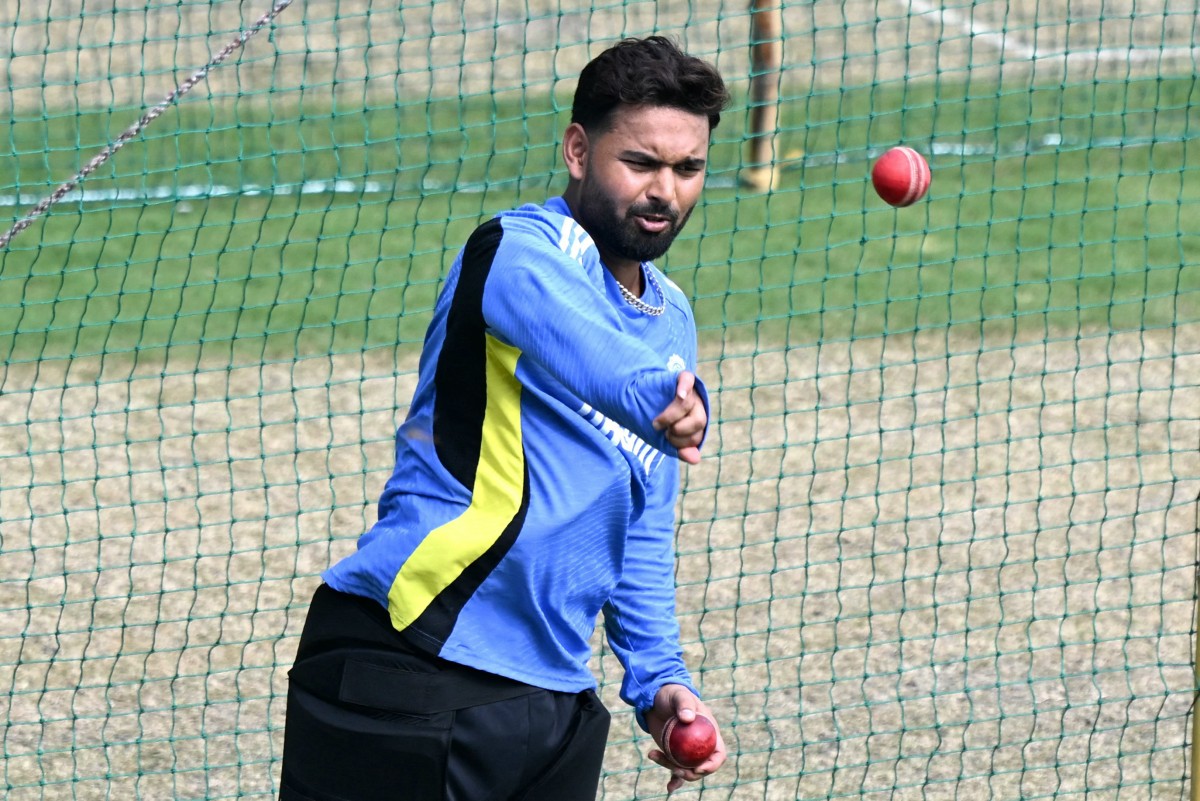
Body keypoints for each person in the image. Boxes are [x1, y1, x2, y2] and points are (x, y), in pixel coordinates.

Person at [279, 36, 730, 801]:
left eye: (688, 168)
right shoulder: (516, 250)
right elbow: (590, 351)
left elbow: (642, 523)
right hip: (412, 660)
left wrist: (660, 681)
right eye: (642, 163)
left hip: (548, 699)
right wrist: (665, 397)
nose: (666, 190)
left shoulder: (671, 317)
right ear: (579, 150)